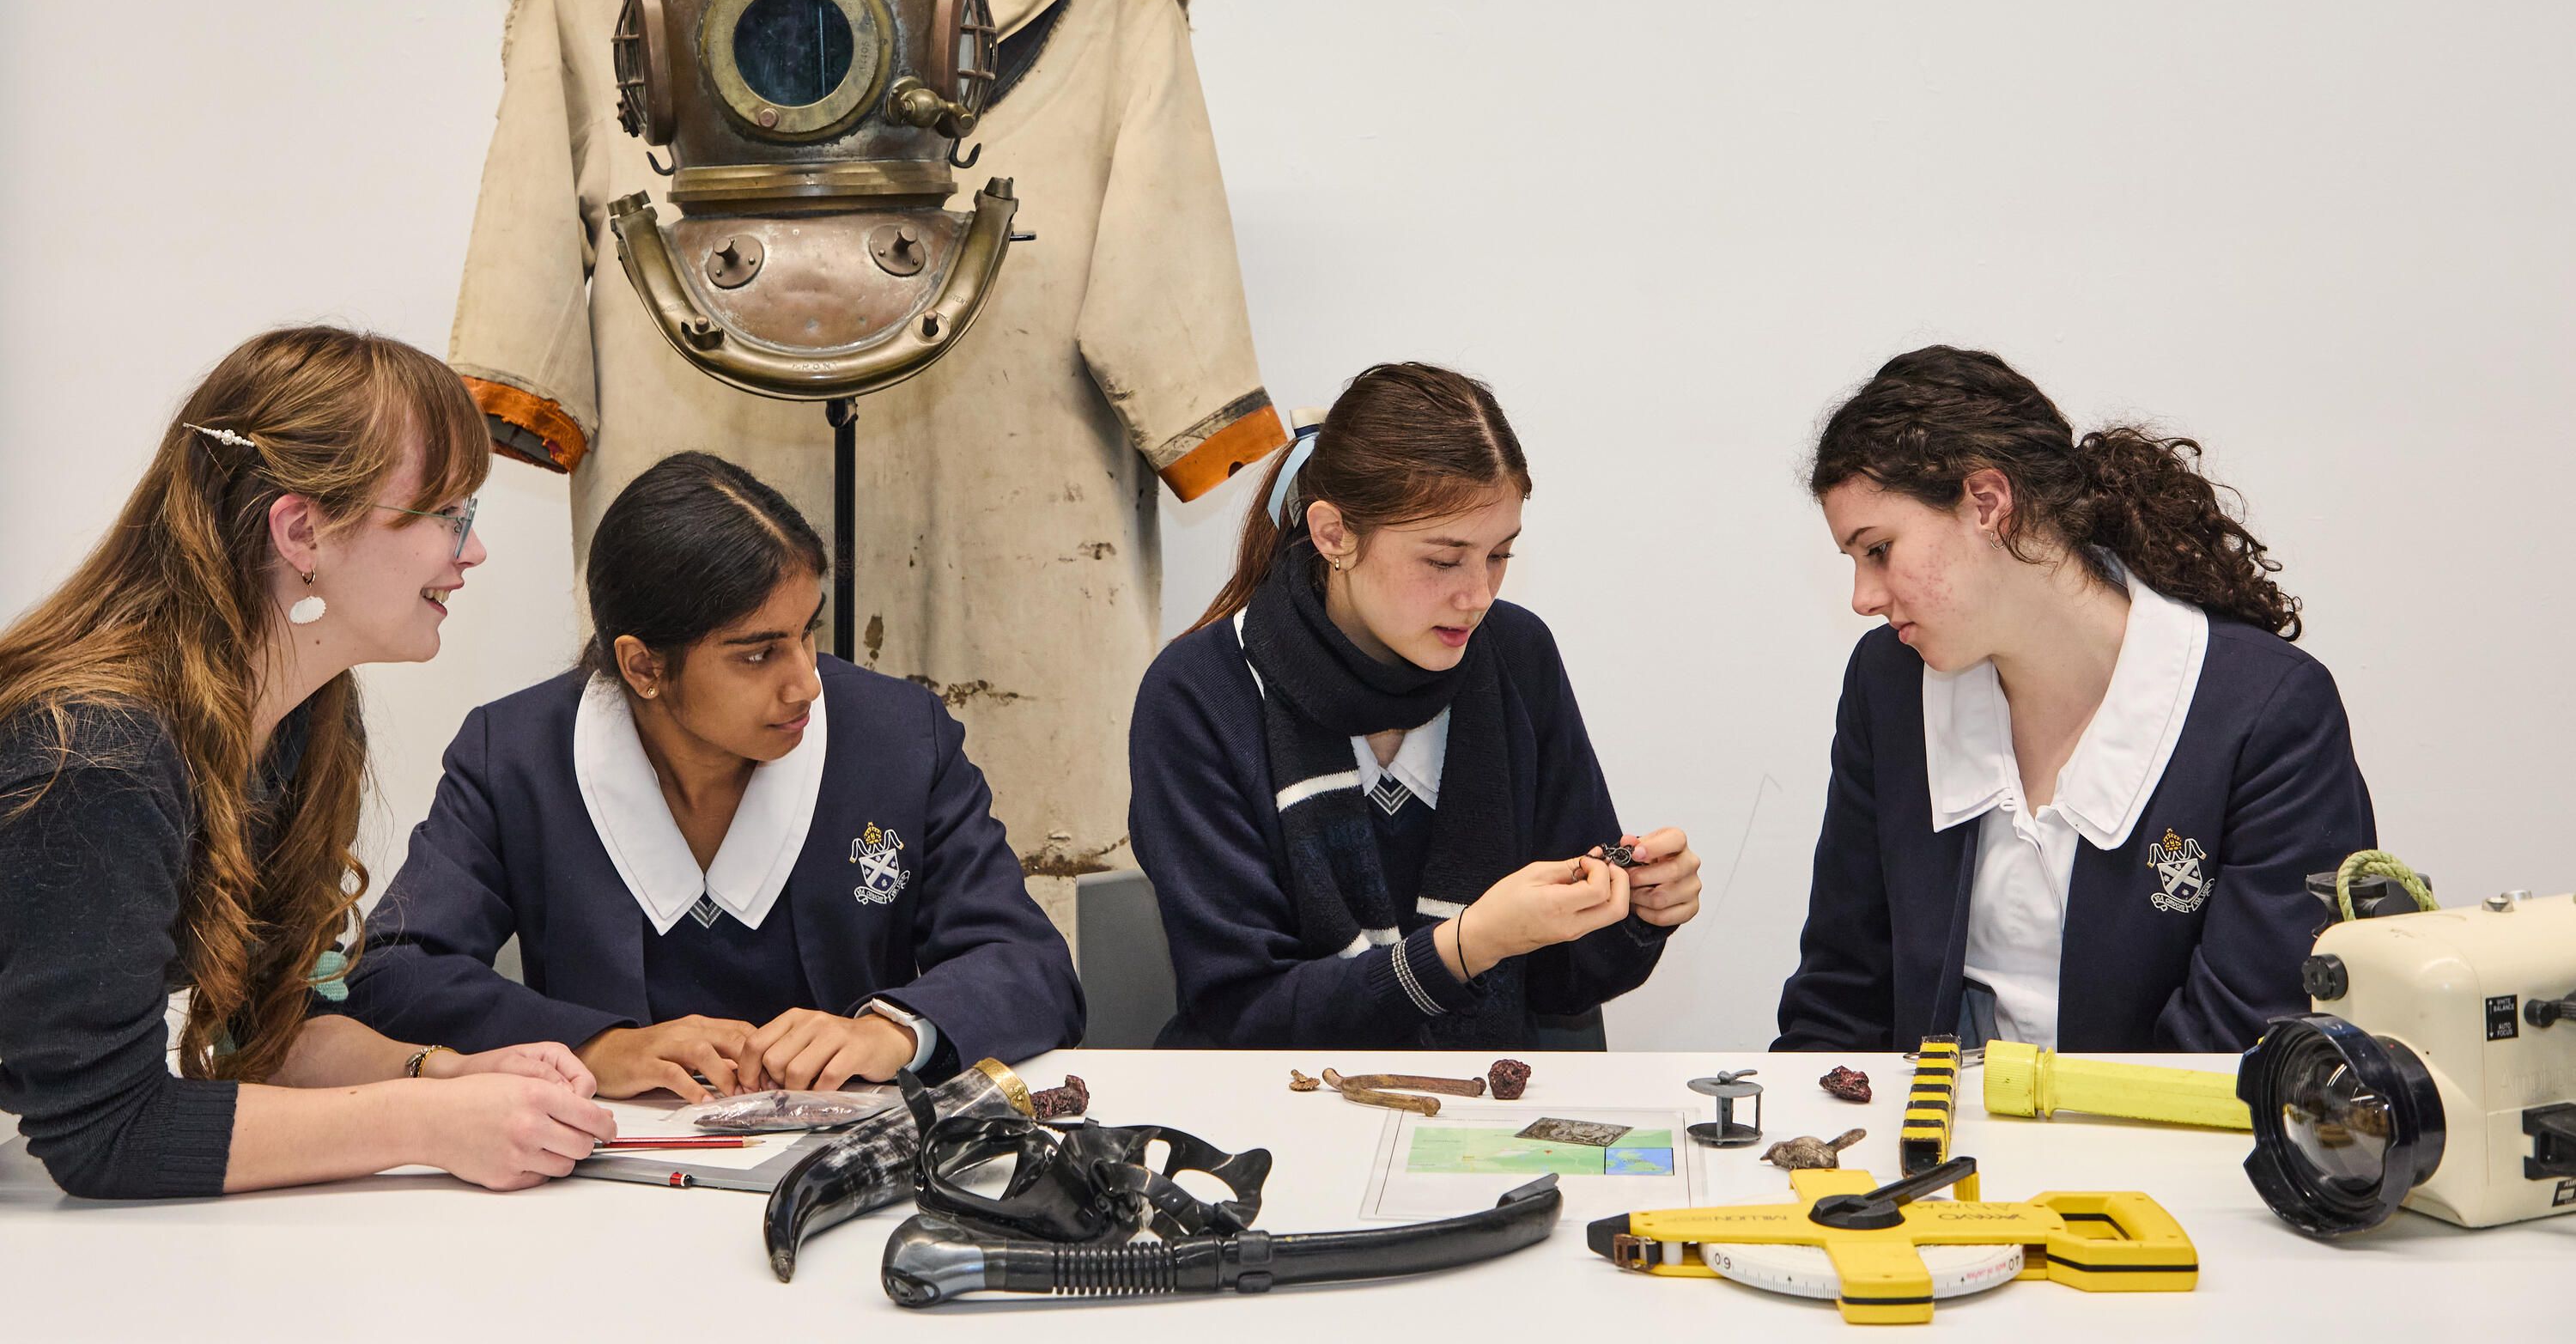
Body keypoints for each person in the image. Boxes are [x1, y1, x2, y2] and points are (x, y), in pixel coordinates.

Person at [0, 326, 617, 1200]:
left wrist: (441, 1074)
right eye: (448, 513)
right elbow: (107, 1133)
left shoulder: (298, 718)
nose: (470, 550)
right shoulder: (98, 753)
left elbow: (275, 1028)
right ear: (301, 530)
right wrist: (433, 1125)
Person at [341, 452, 1081, 1098]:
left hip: (852, 1160)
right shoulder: (518, 754)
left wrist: (895, 1031)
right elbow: (393, 975)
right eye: (758, 653)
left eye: (807, 633)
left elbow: (1031, 966)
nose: (805, 684)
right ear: (644, 666)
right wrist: (596, 1046)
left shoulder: (896, 738)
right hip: (601, 1172)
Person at [1775, 345, 2376, 1055]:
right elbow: (1842, 1003)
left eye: (1878, 549)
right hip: (1940, 1158)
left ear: (1987, 504)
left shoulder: (2266, 711)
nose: (1863, 598)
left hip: (2167, 1157)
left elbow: (2251, 1039)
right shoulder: (1890, 685)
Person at [1129, 362, 1701, 1048]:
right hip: (1276, 1126)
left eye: (1499, 555)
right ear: (1334, 534)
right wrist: (1465, 947)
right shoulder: (1197, 695)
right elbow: (1241, 1012)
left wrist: (1633, 910)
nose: (1478, 595)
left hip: (1477, 1124)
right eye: (1443, 558)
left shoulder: (1518, 656)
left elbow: (1560, 986)